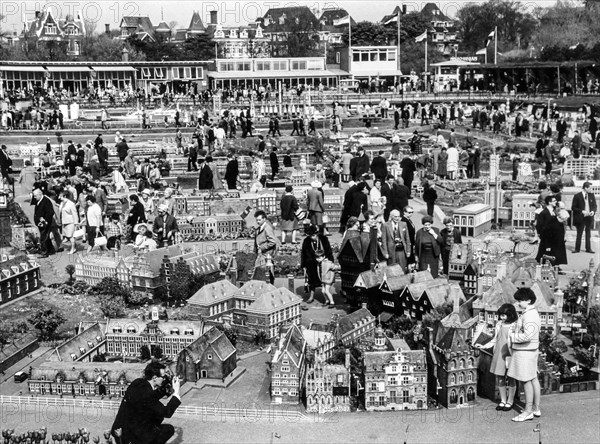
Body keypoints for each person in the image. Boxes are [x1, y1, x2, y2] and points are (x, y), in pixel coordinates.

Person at [111, 361, 181, 444]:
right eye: (163, 377)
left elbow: (152, 394)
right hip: (130, 437)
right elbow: (167, 412)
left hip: (123, 429)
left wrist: (165, 390)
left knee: (157, 418)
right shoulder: (147, 396)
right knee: (168, 429)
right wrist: (176, 394)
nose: (164, 378)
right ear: (155, 378)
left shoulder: (137, 382)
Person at [475, 303, 519, 412]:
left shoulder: (515, 325)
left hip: (509, 354)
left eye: (505, 315)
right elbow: (495, 339)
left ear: (511, 315)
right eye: (501, 315)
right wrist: (484, 345)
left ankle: (510, 401)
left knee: (511, 378)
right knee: (500, 377)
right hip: (499, 353)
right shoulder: (499, 324)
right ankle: (503, 400)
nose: (502, 317)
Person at [507, 288, 542, 422]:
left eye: (520, 300)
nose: (518, 303)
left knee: (525, 380)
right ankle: (536, 408)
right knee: (533, 379)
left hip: (525, 351)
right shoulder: (531, 313)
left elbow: (527, 335)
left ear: (528, 300)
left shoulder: (529, 315)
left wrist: (512, 336)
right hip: (531, 350)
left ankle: (528, 412)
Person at [301, 224, 333, 304]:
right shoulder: (306, 241)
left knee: (324, 282)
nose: (312, 237)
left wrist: (329, 261)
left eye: (314, 235)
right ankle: (311, 296)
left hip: (323, 264)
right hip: (311, 264)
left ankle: (327, 298)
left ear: (317, 233)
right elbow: (303, 254)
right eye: (310, 236)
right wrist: (304, 265)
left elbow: (329, 251)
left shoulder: (324, 239)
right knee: (311, 281)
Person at [33, 188, 59, 257]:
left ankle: (44, 251)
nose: (34, 197)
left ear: (40, 194)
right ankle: (51, 250)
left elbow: (50, 212)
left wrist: (45, 220)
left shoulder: (46, 201)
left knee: (43, 237)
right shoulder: (39, 200)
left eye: (35, 196)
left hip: (45, 223)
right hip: (40, 223)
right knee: (46, 237)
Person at [571, 181, 597, 254]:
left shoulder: (591, 195)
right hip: (581, 217)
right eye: (590, 188)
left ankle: (588, 248)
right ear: (585, 188)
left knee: (588, 234)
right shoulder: (577, 196)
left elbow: (595, 205)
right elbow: (573, 207)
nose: (591, 189)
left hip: (589, 217)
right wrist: (582, 211)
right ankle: (577, 249)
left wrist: (593, 211)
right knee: (579, 233)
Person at [254, 210, 277, 285]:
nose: (258, 221)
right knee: (261, 273)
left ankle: (270, 288)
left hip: (267, 255)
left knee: (268, 273)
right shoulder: (259, 228)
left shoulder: (267, 228)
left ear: (264, 219)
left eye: (259, 220)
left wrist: (263, 247)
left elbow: (273, 241)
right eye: (257, 220)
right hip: (261, 254)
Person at [58, 189, 79, 255]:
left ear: (65, 196)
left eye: (60, 196)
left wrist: (76, 223)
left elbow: (75, 214)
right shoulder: (62, 203)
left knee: (70, 236)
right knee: (67, 236)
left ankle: (73, 249)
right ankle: (74, 246)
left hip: (70, 222)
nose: (59, 197)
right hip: (64, 222)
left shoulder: (71, 204)